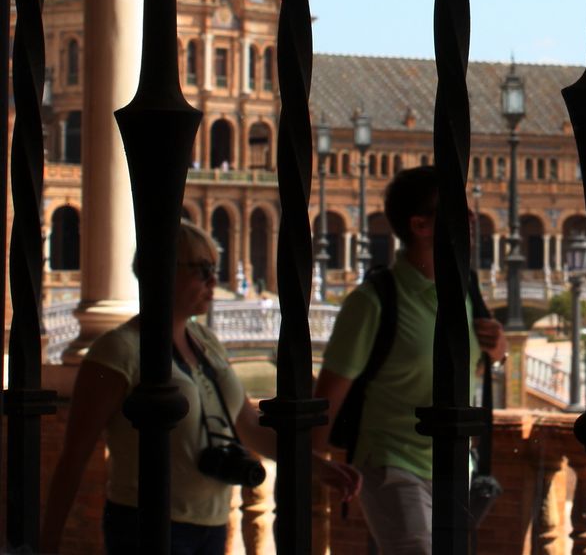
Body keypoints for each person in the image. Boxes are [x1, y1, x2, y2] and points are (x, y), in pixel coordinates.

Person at [41, 221, 360, 554]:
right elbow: (73, 458)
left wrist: (315, 466)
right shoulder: (116, 351)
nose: (213, 281)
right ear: (164, 271)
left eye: (214, 269)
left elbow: (249, 427)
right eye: (202, 270)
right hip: (145, 525)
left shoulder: (206, 342)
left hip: (212, 524)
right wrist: (47, 542)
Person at [313, 166, 506, 555]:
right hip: (391, 462)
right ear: (420, 225)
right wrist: (314, 464)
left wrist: (497, 351)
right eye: (457, 209)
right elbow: (329, 393)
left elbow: (467, 373)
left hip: (453, 465)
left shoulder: (465, 290)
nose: (471, 218)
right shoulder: (372, 301)